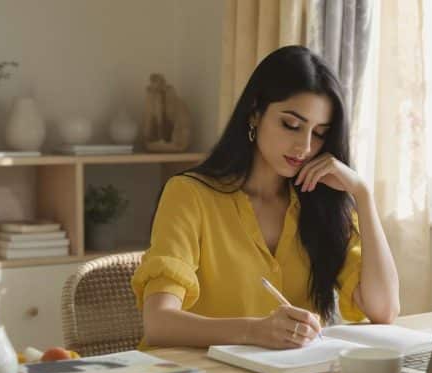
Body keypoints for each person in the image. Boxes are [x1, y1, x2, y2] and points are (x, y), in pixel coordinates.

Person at [131, 45, 399, 350]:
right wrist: (253, 331)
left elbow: (384, 309)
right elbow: (159, 324)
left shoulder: (323, 204)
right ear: (256, 113)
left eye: (320, 133)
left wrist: (362, 195)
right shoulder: (189, 195)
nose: (305, 146)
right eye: (292, 125)